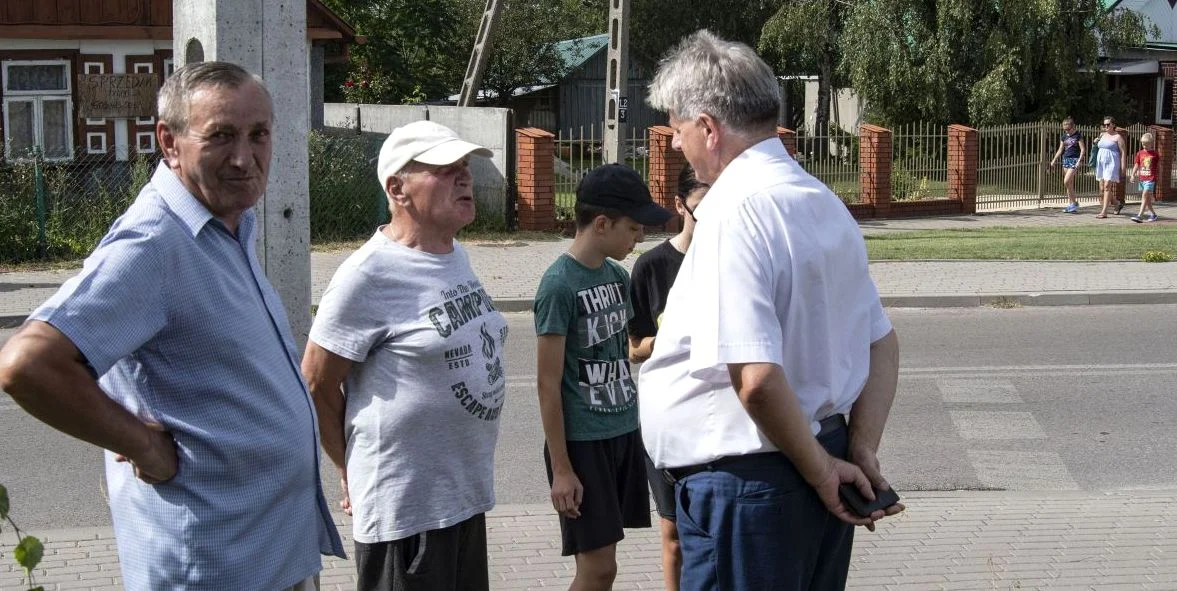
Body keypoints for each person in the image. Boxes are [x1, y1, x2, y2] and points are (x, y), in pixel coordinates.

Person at [0, 61, 344, 590]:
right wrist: (140, 443)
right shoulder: (155, 244)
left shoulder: (227, 224)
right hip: (215, 564)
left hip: (263, 551)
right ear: (169, 141)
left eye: (259, 135)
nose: (244, 157)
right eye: (221, 136)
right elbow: (28, 364)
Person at [641, 30, 904, 590]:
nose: (672, 145)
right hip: (810, 458)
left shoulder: (735, 211)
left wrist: (821, 470)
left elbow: (756, 380)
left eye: (677, 129)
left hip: (751, 481)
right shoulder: (821, 200)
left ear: (708, 128)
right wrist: (857, 447)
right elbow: (882, 342)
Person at [302, 120, 507, 591]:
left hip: (461, 501)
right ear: (398, 188)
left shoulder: (454, 255)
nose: (464, 177)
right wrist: (346, 467)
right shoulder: (368, 274)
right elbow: (315, 381)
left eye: (465, 167)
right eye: (444, 169)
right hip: (405, 516)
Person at [533, 163, 670, 590]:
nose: (640, 238)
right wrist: (561, 468)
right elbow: (546, 384)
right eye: (632, 228)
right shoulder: (559, 285)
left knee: (608, 565)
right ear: (601, 223)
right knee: (597, 569)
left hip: (622, 433)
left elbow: (623, 353)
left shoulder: (616, 275)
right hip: (582, 445)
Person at [627, 165, 709, 591]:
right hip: (668, 420)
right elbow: (632, 346)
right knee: (674, 537)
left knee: (714, 538)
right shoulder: (652, 266)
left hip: (717, 421)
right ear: (679, 206)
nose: (710, 218)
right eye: (700, 209)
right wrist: (673, 339)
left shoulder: (731, 258)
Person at [1049, 117, 1086, 213]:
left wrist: (1079, 161)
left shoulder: (1078, 135)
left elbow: (1082, 149)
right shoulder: (1064, 137)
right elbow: (1060, 149)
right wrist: (1054, 160)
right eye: (1065, 129)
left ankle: (1074, 203)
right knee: (1069, 184)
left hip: (1075, 160)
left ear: (1073, 126)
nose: (1067, 131)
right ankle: (1072, 205)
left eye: (1068, 129)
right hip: (1066, 160)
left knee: (1066, 181)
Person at [1094, 116, 1128, 219]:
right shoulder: (1102, 135)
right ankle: (1117, 203)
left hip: (1112, 163)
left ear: (1113, 125)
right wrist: (1095, 142)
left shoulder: (1118, 137)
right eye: (1104, 125)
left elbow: (1123, 153)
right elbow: (1097, 146)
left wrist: (1123, 167)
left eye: (1108, 124)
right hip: (1101, 163)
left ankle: (1104, 212)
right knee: (1102, 187)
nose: (1106, 126)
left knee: (1107, 186)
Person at [1129, 132, 1161, 223]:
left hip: (1151, 179)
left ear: (1151, 143)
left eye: (1146, 144)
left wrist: (1158, 178)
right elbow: (1137, 164)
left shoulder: (1155, 154)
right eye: (1143, 144)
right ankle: (1153, 214)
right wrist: (1132, 174)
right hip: (1142, 178)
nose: (1144, 146)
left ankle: (1140, 215)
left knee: (1144, 195)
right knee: (1147, 199)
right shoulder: (1140, 153)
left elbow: (1159, 166)